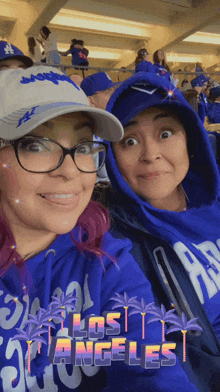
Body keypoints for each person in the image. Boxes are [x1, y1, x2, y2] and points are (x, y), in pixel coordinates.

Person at [0, 66, 198, 391]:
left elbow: (152, 367)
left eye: (82, 145)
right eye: (35, 145)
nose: (70, 170)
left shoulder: (106, 260)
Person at [104, 72, 220, 392]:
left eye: (165, 132)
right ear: (111, 158)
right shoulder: (115, 247)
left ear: (191, 140)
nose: (151, 154)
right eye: (129, 140)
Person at [81, 72, 120, 184]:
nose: (113, 97)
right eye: (108, 93)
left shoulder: (110, 124)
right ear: (90, 100)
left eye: (113, 92)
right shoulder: (84, 132)